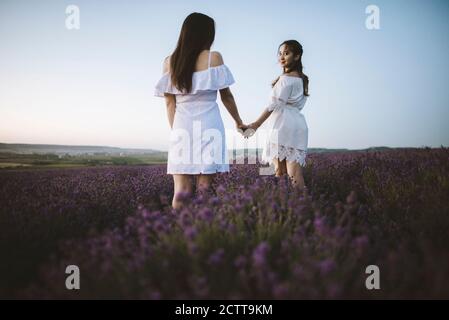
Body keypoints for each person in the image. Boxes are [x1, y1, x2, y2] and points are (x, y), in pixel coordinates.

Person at [154, 12, 247, 209]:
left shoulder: (169, 62)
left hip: (182, 127)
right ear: (207, 35)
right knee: (205, 188)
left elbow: (170, 104)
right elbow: (226, 96)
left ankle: (179, 234)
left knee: (181, 191)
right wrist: (239, 122)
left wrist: (177, 132)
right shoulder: (213, 58)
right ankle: (202, 231)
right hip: (209, 125)